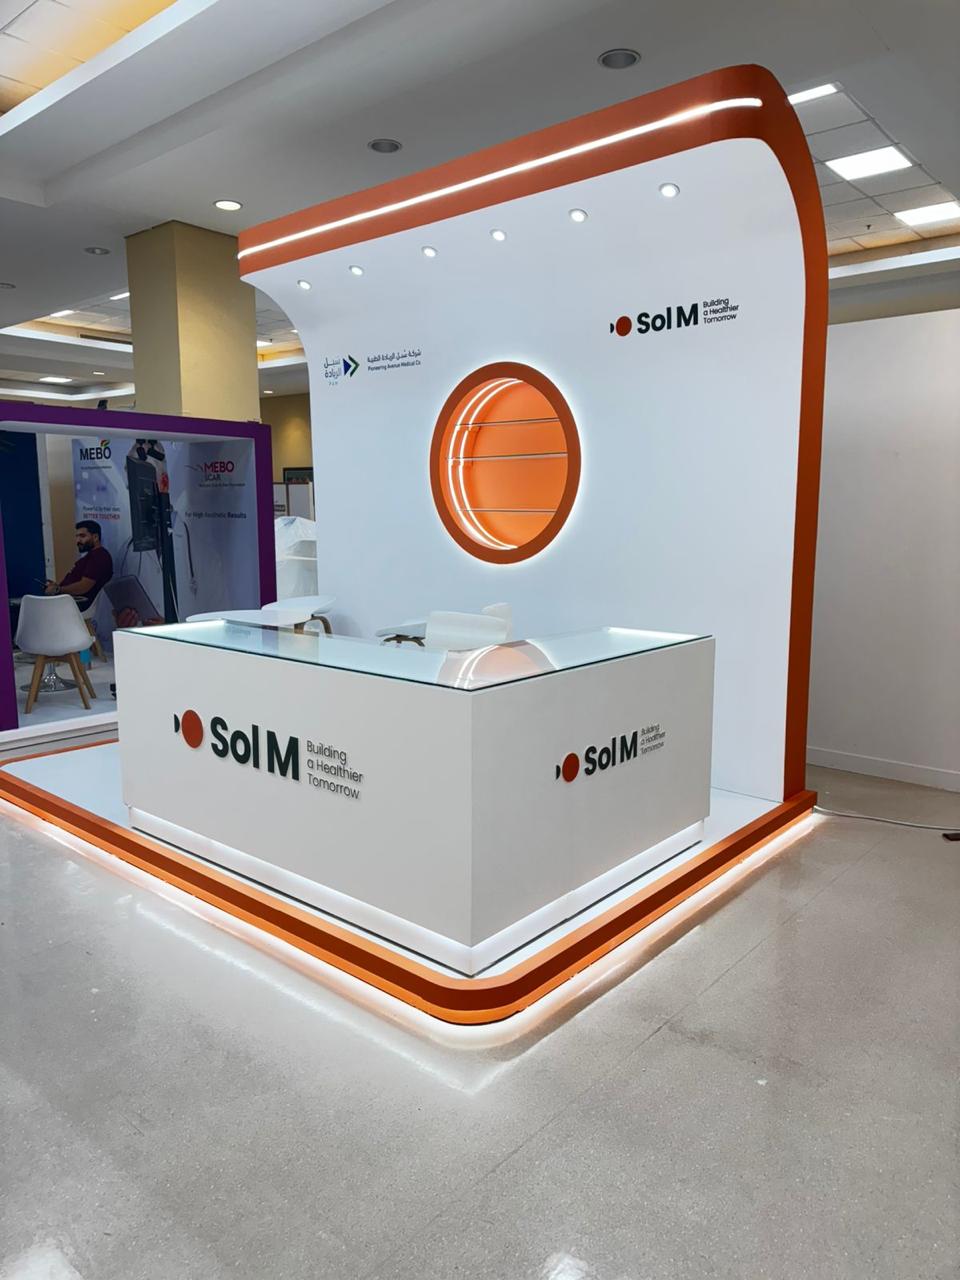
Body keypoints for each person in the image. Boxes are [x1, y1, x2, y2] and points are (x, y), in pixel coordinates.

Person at [45, 520, 114, 611]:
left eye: (82, 536)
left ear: (95, 537)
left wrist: (58, 589)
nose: (78, 540)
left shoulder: (99, 557)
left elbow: (84, 586)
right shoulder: (92, 556)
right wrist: (56, 587)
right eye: (77, 536)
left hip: (76, 605)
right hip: (68, 602)